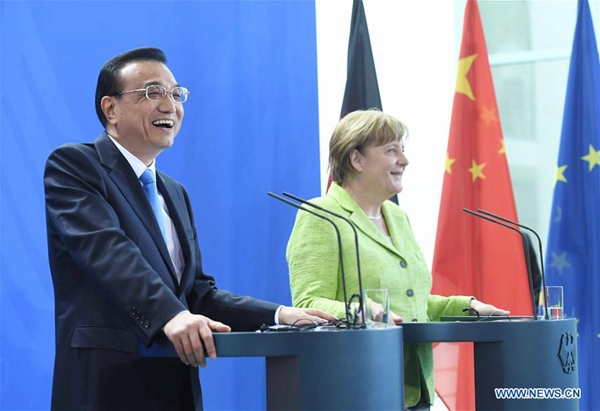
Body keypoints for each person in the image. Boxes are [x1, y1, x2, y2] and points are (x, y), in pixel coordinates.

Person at [44, 47, 333, 411]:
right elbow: (108, 253)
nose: (170, 106)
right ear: (110, 108)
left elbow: (195, 294)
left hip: (176, 388)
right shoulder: (75, 165)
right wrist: (172, 315)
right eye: (152, 92)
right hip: (107, 386)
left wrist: (278, 316)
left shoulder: (174, 192)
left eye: (177, 94)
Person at [286, 109, 508, 410]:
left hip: (413, 389)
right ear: (356, 159)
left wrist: (467, 307)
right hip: (354, 388)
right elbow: (309, 303)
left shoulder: (397, 216)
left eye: (403, 150)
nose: (404, 160)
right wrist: (363, 311)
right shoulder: (321, 215)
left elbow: (411, 303)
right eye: (392, 151)